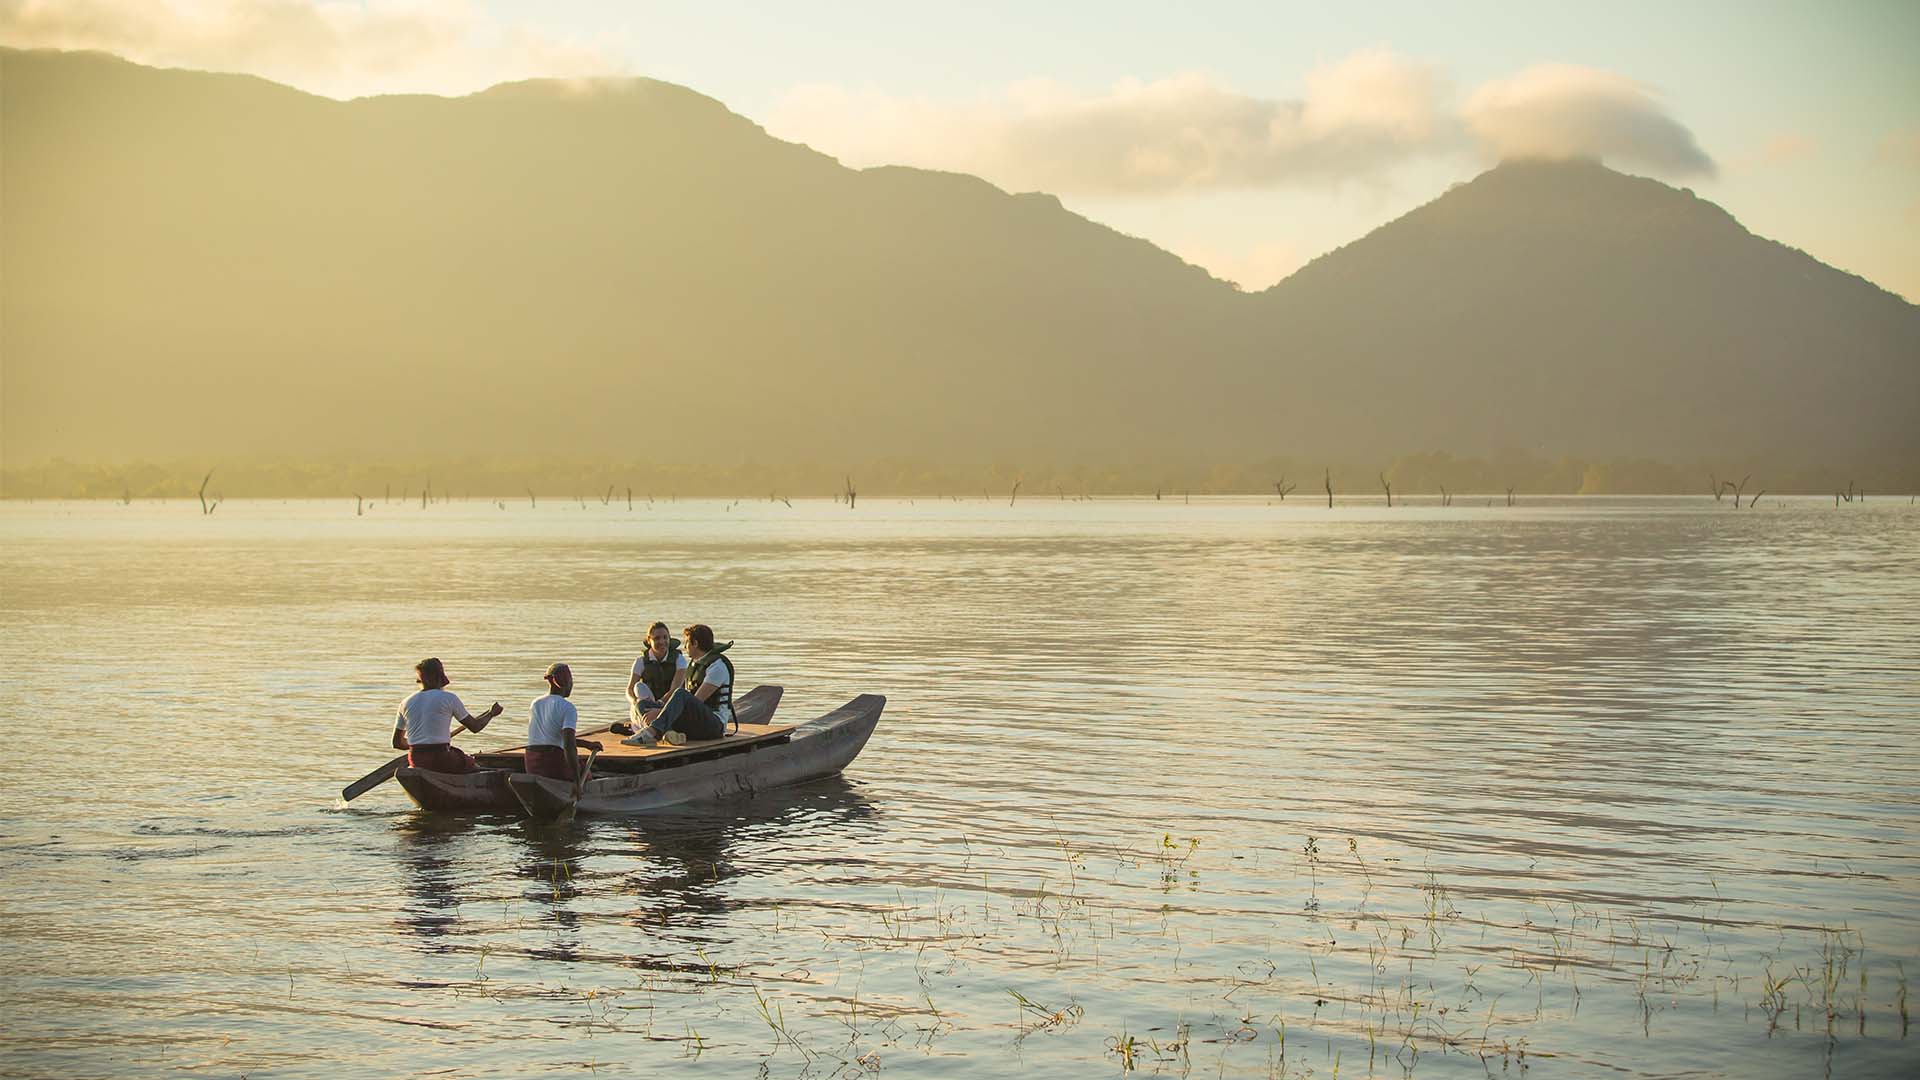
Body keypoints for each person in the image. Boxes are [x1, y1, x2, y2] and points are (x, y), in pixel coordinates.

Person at [622, 623, 734, 747]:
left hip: (713, 725)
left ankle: (651, 733)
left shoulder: (717, 666)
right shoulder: (695, 665)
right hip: (694, 723)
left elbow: (696, 700)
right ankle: (669, 733)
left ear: (695, 643)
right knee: (642, 704)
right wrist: (659, 710)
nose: (685, 647)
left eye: (687, 643)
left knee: (681, 693)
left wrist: (660, 712)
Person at [393, 657, 502, 773]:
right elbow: (475, 727)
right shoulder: (449, 698)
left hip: (416, 759)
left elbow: (397, 743)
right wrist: (491, 714)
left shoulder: (405, 702)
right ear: (440, 677)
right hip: (442, 758)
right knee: (470, 762)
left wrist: (419, 743)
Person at [523, 662, 592, 781]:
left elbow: (553, 738)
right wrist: (577, 780)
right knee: (587, 773)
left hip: (532, 764)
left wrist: (587, 744)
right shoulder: (568, 708)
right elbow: (569, 745)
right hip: (554, 765)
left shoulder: (535, 703)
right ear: (567, 683)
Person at [626, 621, 687, 727]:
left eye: (665, 637)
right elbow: (629, 689)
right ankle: (646, 724)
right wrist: (635, 702)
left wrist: (658, 705)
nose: (662, 641)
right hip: (645, 704)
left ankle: (645, 728)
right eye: (657, 638)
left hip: (668, 705)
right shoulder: (640, 661)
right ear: (649, 640)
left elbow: (675, 689)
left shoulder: (679, 659)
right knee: (638, 687)